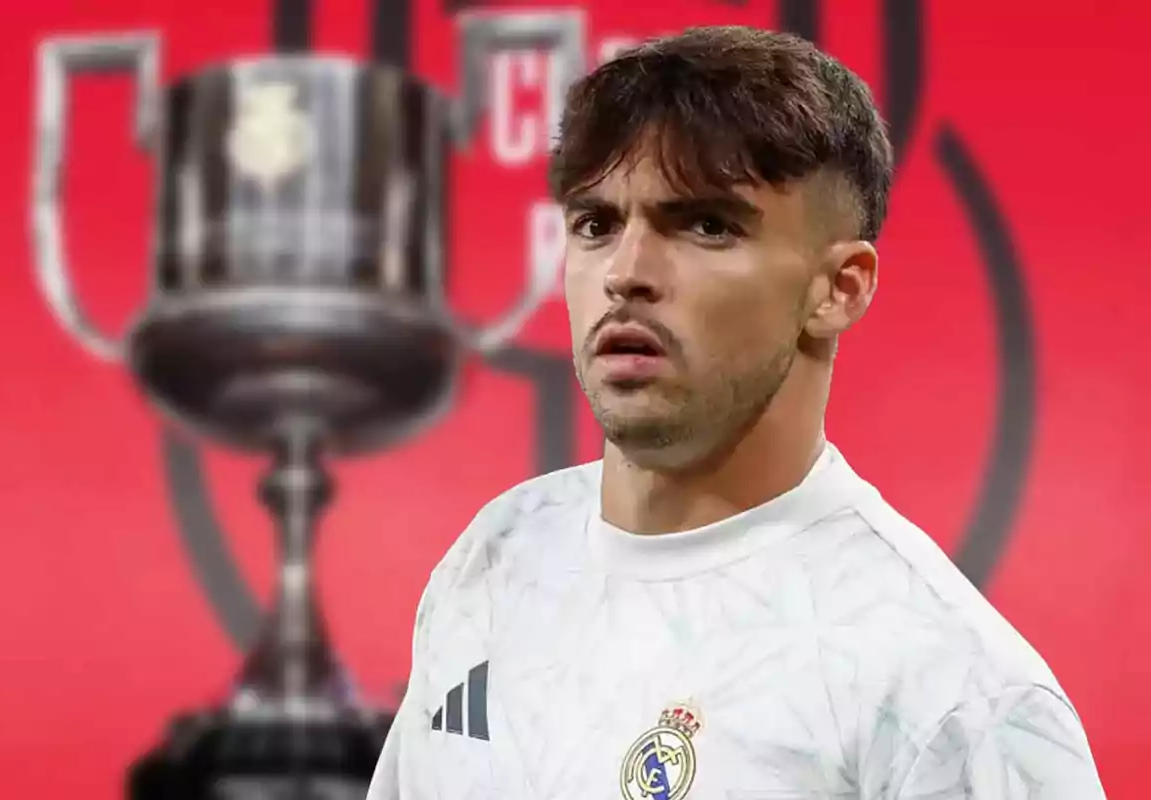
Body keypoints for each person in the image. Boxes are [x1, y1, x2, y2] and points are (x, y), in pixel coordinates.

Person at [366, 25, 1107, 799]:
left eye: (705, 225)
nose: (625, 273)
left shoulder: (954, 698)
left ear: (840, 288)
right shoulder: (496, 557)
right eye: (596, 224)